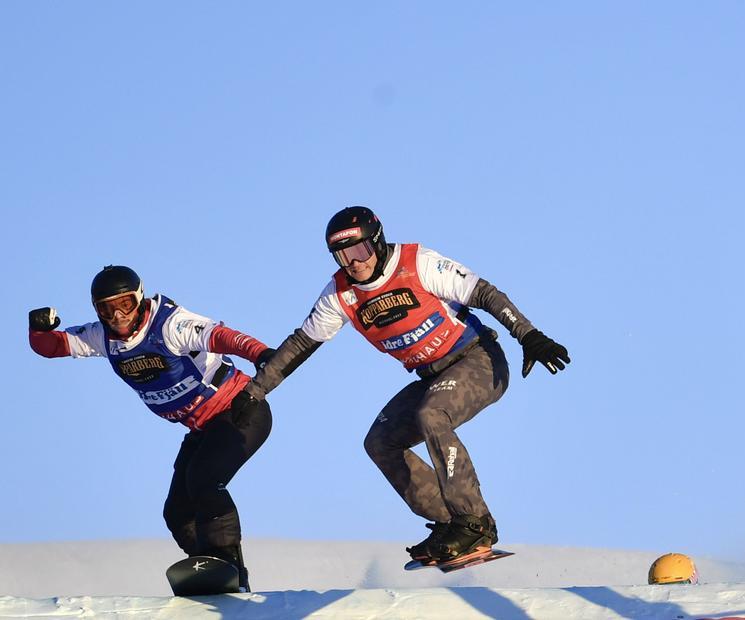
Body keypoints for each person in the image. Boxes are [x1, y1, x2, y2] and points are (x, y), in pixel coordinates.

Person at [230, 206, 570, 566]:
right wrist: (255, 391)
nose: (354, 263)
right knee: (380, 441)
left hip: (478, 359)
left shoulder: (417, 263)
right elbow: (301, 344)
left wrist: (529, 336)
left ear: (376, 241)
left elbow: (484, 293)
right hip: (432, 376)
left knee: (432, 414)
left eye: (359, 251)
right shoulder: (341, 294)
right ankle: (449, 522)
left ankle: (475, 522)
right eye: (343, 255)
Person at [28, 266, 275, 591]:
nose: (117, 315)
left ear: (140, 299)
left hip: (240, 410)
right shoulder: (102, 336)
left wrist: (261, 354)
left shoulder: (169, 324)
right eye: (106, 308)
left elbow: (221, 336)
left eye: (125, 304)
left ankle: (227, 567)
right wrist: (36, 328)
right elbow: (52, 346)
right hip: (202, 428)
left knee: (204, 479)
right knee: (177, 513)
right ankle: (218, 575)